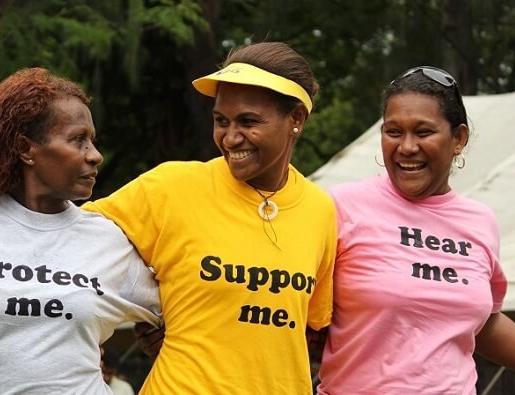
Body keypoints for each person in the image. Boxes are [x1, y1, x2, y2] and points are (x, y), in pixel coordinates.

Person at [84, 42, 336, 393]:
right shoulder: (171, 186)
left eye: (249, 121)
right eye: (221, 121)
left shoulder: (320, 210)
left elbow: (310, 326)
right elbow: (69, 241)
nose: (231, 138)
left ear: (295, 119)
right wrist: (147, 306)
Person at [0, 67, 161, 394]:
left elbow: (190, 312)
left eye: (92, 140)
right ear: (26, 149)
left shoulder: (109, 240)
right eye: (78, 139)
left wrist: (162, 339)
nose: (96, 155)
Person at [316, 66, 515, 394]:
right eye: (393, 132)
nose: (407, 147)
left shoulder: (480, 221)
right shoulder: (340, 207)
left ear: (459, 139)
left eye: (423, 132)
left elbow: (481, 323)